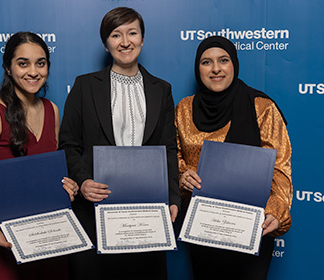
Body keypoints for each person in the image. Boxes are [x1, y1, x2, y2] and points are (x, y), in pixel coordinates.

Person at [59, 7, 180, 280]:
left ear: (142, 38)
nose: (125, 42)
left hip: (146, 213)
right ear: (106, 43)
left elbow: (168, 149)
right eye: (116, 35)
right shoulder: (84, 86)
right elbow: (68, 144)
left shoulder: (162, 89)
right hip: (95, 211)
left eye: (132, 33)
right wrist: (83, 181)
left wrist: (173, 197)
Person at [175, 36, 293, 279]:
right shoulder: (184, 108)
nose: (216, 69)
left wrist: (275, 211)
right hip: (203, 229)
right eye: (207, 62)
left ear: (234, 64)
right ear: (198, 68)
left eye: (223, 60)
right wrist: (181, 175)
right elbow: (174, 157)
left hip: (252, 228)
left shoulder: (261, 107)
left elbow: (280, 169)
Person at [0, 32, 79, 280]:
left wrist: (67, 185)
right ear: (8, 67)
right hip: (6, 244)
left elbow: (50, 173)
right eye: (23, 63)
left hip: (49, 241)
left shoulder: (52, 110)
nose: (33, 71)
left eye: (40, 63)